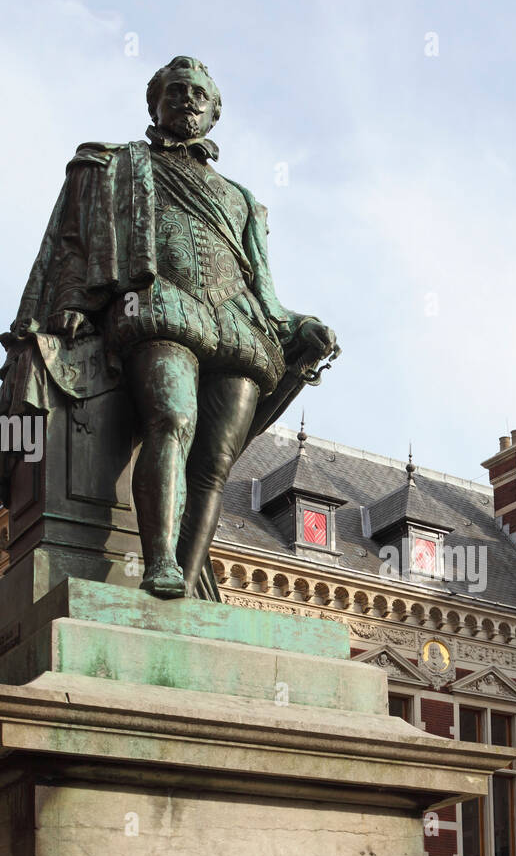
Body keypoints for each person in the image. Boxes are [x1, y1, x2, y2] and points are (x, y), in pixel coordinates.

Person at [5, 56, 338, 598]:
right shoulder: (114, 165)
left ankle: (185, 574)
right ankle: (157, 561)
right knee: (172, 420)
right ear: (155, 104)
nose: (187, 99)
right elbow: (72, 244)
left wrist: (303, 326)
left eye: (198, 94)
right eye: (175, 91)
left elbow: (269, 296)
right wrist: (72, 303)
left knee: (214, 462)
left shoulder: (245, 201)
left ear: (215, 112)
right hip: (161, 308)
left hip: (239, 325)